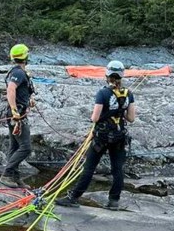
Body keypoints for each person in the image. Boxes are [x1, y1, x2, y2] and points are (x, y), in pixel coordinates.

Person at [57, 60, 137, 210]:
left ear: (107, 75)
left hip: (102, 137)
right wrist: (120, 110)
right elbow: (131, 118)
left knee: (89, 168)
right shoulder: (128, 94)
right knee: (117, 169)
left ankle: (74, 197)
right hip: (119, 137)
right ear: (121, 76)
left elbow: (95, 118)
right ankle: (114, 201)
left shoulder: (103, 93)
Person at [0, 43, 36, 188]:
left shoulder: (18, 72)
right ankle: (7, 174)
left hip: (18, 112)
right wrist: (15, 110)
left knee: (14, 147)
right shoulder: (18, 73)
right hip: (17, 115)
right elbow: (11, 89)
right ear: (26, 57)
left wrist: (28, 99)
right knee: (26, 147)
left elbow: (19, 90)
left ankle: (15, 176)